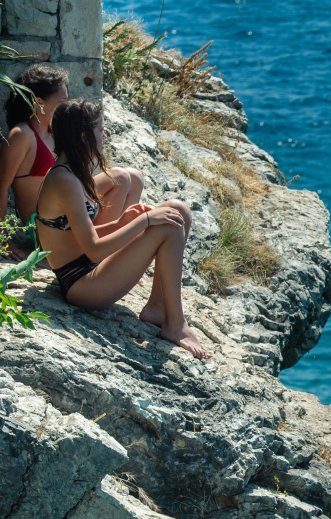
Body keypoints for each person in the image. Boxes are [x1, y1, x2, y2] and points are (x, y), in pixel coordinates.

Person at [35, 99, 210, 359]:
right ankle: (175, 325)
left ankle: (158, 307)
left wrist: (122, 222)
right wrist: (145, 222)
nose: (104, 135)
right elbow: (93, 251)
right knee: (169, 227)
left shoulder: (71, 173)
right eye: (99, 130)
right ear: (83, 136)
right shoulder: (64, 180)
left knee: (178, 210)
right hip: (81, 286)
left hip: (88, 268)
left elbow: (82, 238)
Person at [0, 64, 145, 259]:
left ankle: (117, 253)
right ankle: (99, 254)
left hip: (68, 209)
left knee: (133, 177)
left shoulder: (55, 132)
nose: (65, 105)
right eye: (61, 101)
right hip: (47, 227)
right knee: (119, 177)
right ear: (39, 102)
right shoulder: (22, 135)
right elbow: (1, 187)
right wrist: (3, 242)